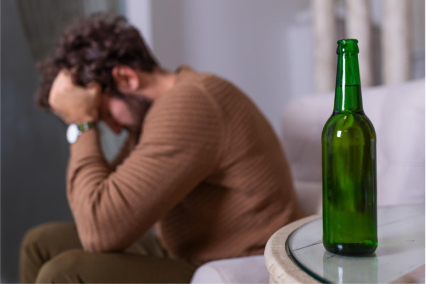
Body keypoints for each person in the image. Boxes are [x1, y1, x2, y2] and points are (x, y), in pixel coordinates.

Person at [20, 13, 304, 283]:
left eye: (104, 114)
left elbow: (100, 229)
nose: (113, 129)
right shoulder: (159, 111)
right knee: (40, 244)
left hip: (232, 264)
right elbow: (97, 205)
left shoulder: (190, 104)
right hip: (185, 252)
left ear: (126, 78)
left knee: (65, 273)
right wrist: (81, 124)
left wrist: (82, 123)